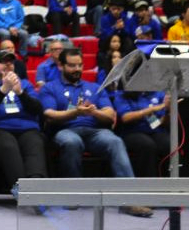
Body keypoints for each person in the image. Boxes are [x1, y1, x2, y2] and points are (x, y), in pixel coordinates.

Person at [40, 48, 135, 205]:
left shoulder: (94, 87)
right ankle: (73, 195)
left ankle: (130, 199)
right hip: (64, 130)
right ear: (60, 66)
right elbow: (49, 115)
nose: (77, 69)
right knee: (72, 142)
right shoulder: (50, 87)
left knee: (115, 141)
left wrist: (94, 112)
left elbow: (110, 115)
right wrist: (75, 112)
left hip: (94, 131)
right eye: (72, 65)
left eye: (80, 65)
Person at [0, 49, 47, 197]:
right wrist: (3, 90)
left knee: (34, 141)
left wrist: (20, 93)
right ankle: (21, 191)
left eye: (11, 62)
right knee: (8, 144)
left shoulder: (24, 84)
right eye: (3, 61)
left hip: (26, 128)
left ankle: (37, 187)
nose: (8, 65)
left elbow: (37, 109)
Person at [113, 89, 168, 217]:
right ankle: (148, 194)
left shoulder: (158, 94)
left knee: (168, 145)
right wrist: (150, 110)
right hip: (131, 132)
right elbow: (126, 117)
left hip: (155, 129)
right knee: (147, 146)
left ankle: (169, 192)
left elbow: (161, 121)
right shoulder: (122, 94)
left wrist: (169, 110)